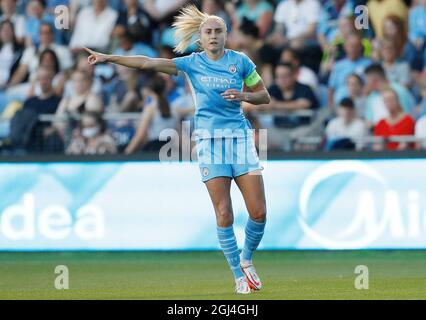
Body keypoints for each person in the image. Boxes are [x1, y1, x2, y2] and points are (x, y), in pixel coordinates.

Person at [85, 4, 271, 294]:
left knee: (258, 212)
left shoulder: (241, 62)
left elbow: (264, 96)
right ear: (200, 37)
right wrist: (109, 57)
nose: (212, 36)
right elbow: (147, 62)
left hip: (240, 140)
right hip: (210, 143)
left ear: (225, 34)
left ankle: (247, 258)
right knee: (225, 214)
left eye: (217, 31)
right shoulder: (191, 63)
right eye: (207, 31)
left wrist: (244, 95)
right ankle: (237, 275)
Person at [124, 74, 176, 153]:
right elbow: (179, 134)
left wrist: (126, 153)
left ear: (150, 90)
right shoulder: (173, 109)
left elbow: (140, 135)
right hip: (171, 150)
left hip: (155, 150)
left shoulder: (150, 109)